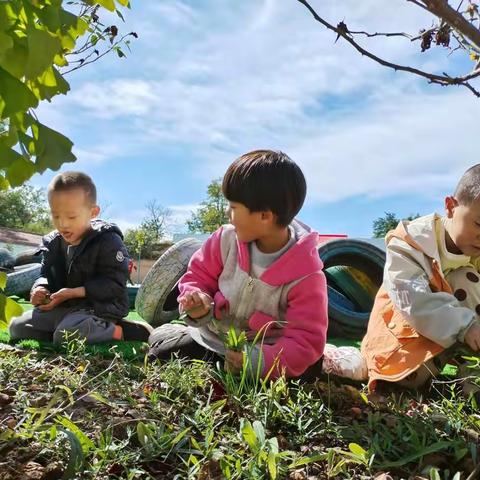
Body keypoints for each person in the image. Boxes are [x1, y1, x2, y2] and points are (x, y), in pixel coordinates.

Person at [148, 150, 328, 379]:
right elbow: (197, 276)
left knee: (309, 369)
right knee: (162, 352)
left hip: (266, 352)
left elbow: (305, 338)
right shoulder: (224, 241)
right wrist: (197, 300)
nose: (227, 212)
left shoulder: (305, 275)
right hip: (215, 341)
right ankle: (175, 334)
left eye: (233, 208)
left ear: (264, 216)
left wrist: (256, 361)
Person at [362, 164, 480, 391]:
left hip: (450, 342)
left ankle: (472, 384)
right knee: (466, 278)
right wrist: (466, 326)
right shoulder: (410, 243)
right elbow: (413, 300)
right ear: (450, 206)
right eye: (478, 224)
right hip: (402, 343)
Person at [9, 171, 152, 344]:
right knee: (17, 327)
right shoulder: (52, 242)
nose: (63, 224)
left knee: (66, 334)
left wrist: (74, 293)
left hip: (99, 308)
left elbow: (114, 284)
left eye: (71, 216)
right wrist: (39, 288)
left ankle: (121, 331)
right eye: (56, 216)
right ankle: (66, 332)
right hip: (63, 308)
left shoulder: (108, 240)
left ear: (93, 212)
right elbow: (45, 274)